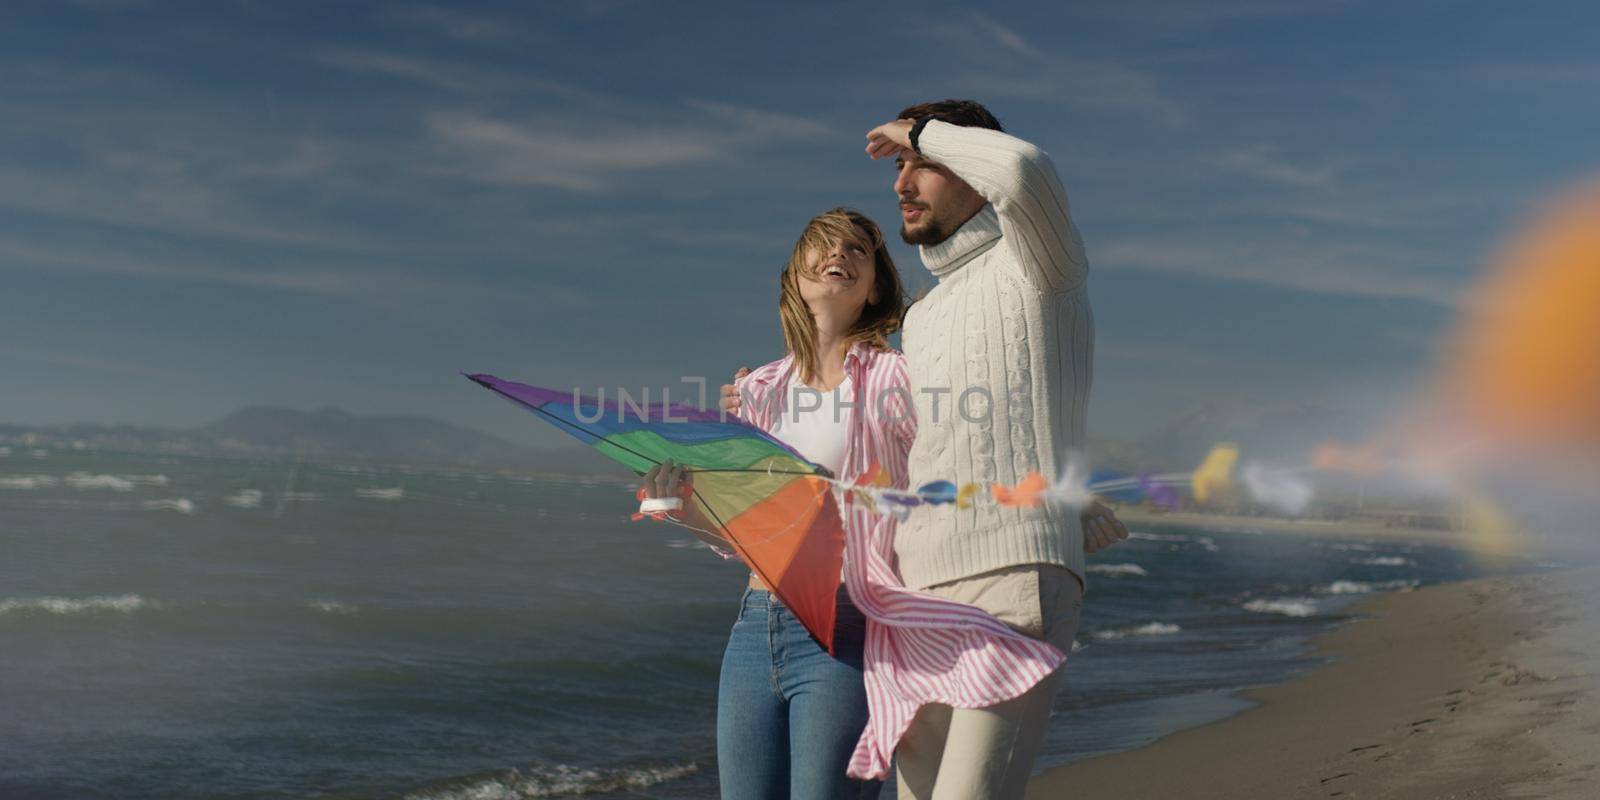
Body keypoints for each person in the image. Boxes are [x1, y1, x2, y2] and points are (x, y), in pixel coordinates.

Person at [855, 99, 1102, 799]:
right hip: (918, 593)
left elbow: (1024, 169)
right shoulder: (925, 315)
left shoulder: (1041, 264)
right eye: (900, 166)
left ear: (968, 163)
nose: (902, 182)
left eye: (922, 165)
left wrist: (925, 132)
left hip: (1013, 574)